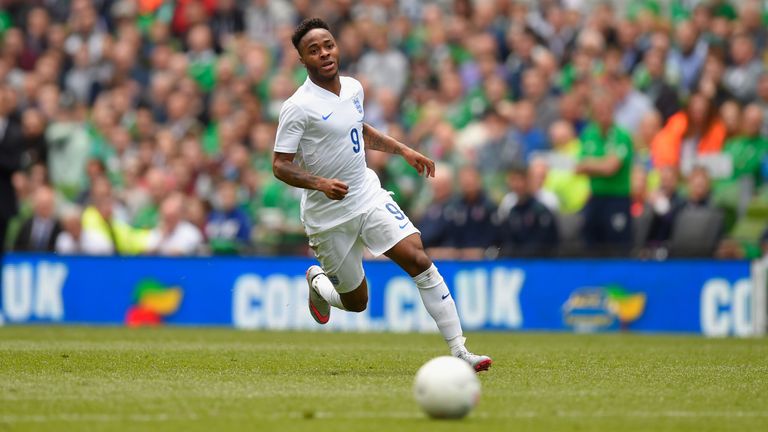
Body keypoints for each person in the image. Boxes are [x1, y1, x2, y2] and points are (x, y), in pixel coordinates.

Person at [273, 18, 491, 371]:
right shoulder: (298, 107)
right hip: (327, 214)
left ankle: (461, 351)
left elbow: (357, 128)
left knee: (418, 258)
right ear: (302, 61)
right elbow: (280, 165)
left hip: (366, 193)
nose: (324, 53)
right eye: (313, 50)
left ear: (337, 46)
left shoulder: (354, 88)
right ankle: (318, 283)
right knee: (357, 301)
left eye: (328, 45)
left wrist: (403, 150)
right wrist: (320, 183)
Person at [576, 90, 634, 256]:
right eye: (598, 110)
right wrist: (602, 164)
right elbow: (579, 167)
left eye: (606, 109)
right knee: (591, 246)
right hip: (595, 198)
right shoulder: (589, 134)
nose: (602, 114)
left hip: (617, 199)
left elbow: (611, 168)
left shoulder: (622, 136)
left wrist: (592, 164)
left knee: (618, 248)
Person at [13, 185, 62, 252]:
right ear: (35, 204)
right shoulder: (26, 225)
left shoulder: (60, 227)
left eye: (47, 203)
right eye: (42, 203)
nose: (44, 206)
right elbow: (17, 248)